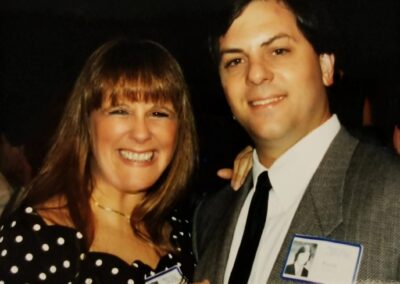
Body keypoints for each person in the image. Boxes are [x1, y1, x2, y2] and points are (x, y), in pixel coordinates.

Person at [192, 0, 400, 283]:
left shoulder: (391, 194)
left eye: (278, 50)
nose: (255, 74)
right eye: (235, 61)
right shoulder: (211, 216)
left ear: (326, 66)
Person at [0, 38, 202, 283]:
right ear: (86, 123)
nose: (141, 133)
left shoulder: (185, 233)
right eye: (120, 111)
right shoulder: (36, 241)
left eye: (159, 113)